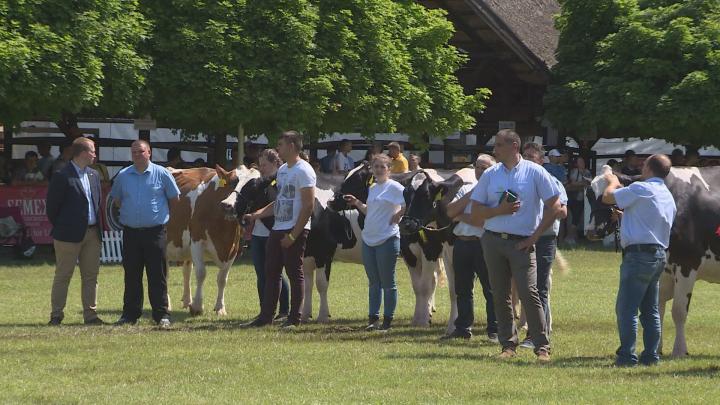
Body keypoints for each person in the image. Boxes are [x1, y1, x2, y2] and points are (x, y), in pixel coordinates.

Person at [469, 129, 561, 363]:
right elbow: (477, 210)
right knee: (500, 293)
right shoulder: (491, 174)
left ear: (514, 147)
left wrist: (534, 238)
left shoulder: (535, 172)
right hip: (492, 240)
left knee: (530, 294)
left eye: (499, 145)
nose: (495, 149)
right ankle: (508, 345)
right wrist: (498, 211)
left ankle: (542, 347)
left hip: (522, 243)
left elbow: (557, 207)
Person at [601, 154, 676, 366]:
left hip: (639, 255)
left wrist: (611, 181)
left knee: (627, 308)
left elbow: (608, 197)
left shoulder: (642, 188)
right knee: (650, 309)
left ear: (649, 169)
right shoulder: (666, 195)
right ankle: (651, 355)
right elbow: (653, 222)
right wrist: (628, 219)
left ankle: (627, 355)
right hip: (658, 254)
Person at [243, 130, 316, 329]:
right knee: (271, 272)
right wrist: (256, 215)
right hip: (278, 227)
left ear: (292, 146)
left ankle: (294, 318)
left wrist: (293, 235)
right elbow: (279, 201)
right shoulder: (283, 170)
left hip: (295, 228)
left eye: (281, 144)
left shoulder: (304, 170)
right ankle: (266, 317)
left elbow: (308, 206)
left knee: (294, 273)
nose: (278, 148)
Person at [110, 140, 180, 329]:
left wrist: (163, 219)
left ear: (149, 152)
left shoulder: (162, 174)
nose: (137, 155)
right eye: (133, 152)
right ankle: (130, 315)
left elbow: (174, 199)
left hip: (155, 232)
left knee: (157, 275)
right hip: (131, 233)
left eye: (140, 151)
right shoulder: (123, 176)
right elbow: (117, 200)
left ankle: (161, 314)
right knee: (131, 274)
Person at [45, 137, 104, 326]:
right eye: (93, 151)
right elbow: (52, 208)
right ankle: (56, 315)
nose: (95, 154)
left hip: (93, 234)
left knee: (91, 276)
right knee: (63, 275)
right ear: (83, 153)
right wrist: (65, 226)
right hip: (67, 235)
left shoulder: (94, 175)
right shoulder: (62, 175)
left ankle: (91, 315)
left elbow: (97, 203)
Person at [343, 154, 405, 331]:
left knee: (388, 282)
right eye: (375, 166)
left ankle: (387, 321)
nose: (378, 170)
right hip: (369, 239)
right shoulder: (373, 188)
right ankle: (373, 319)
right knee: (373, 282)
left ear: (389, 169)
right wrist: (357, 203)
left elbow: (409, 203)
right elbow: (370, 211)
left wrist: (398, 215)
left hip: (387, 238)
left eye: (382, 167)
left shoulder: (395, 187)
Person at [442, 154, 497, 341]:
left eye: (485, 167)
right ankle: (463, 328)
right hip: (462, 243)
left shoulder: (496, 192)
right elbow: (449, 211)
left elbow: (484, 221)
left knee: (490, 289)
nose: (480, 170)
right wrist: (472, 195)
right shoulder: (467, 188)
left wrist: (461, 216)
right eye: (478, 167)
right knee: (462, 289)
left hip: (483, 243)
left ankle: (494, 329)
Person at [520, 143, 568, 348]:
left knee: (539, 286)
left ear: (541, 161)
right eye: (526, 156)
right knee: (524, 286)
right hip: (520, 237)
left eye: (533, 157)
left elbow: (563, 212)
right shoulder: (518, 181)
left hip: (544, 239)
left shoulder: (552, 181)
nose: (529, 159)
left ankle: (537, 335)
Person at [249, 149, 291, 320]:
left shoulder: (279, 181)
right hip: (258, 233)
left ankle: (284, 310)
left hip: (273, 231)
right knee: (261, 272)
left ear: (275, 163)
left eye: (265, 165)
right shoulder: (260, 182)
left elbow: (278, 204)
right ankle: (264, 309)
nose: (262, 168)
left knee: (276, 273)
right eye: (260, 165)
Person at [566, 156, 592, 241]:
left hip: (584, 198)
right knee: (574, 218)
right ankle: (570, 237)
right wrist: (583, 183)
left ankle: (574, 237)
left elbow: (590, 183)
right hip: (574, 198)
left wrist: (582, 184)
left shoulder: (587, 172)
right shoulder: (574, 171)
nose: (582, 163)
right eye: (580, 162)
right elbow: (572, 183)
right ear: (576, 164)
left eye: (583, 161)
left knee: (580, 217)